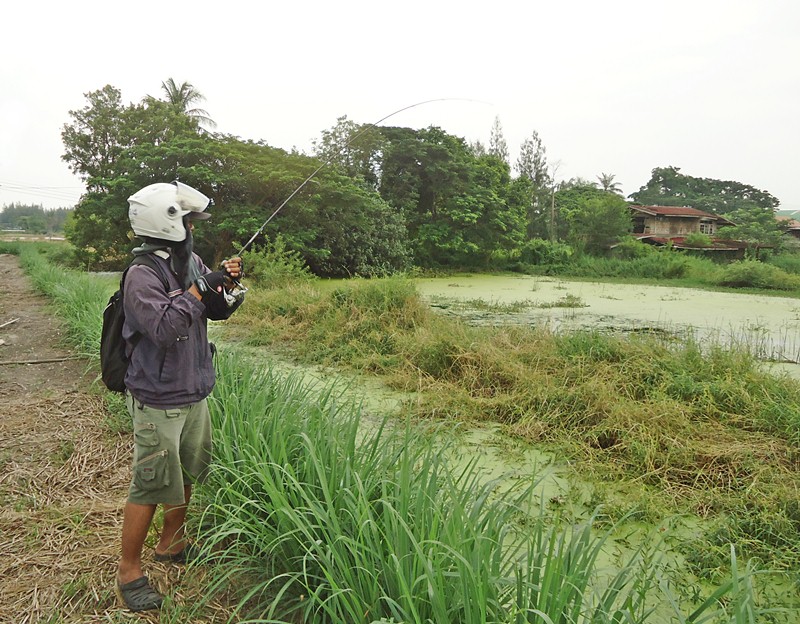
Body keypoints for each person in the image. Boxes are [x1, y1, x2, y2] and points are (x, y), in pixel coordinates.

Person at [115, 181, 244, 612]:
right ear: (166, 221)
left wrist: (224, 287)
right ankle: (128, 571)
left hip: (194, 390)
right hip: (157, 397)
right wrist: (197, 290)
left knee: (186, 472)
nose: (193, 228)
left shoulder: (190, 263)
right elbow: (166, 328)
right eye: (188, 221)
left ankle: (172, 542)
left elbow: (215, 310)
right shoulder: (141, 275)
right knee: (150, 484)